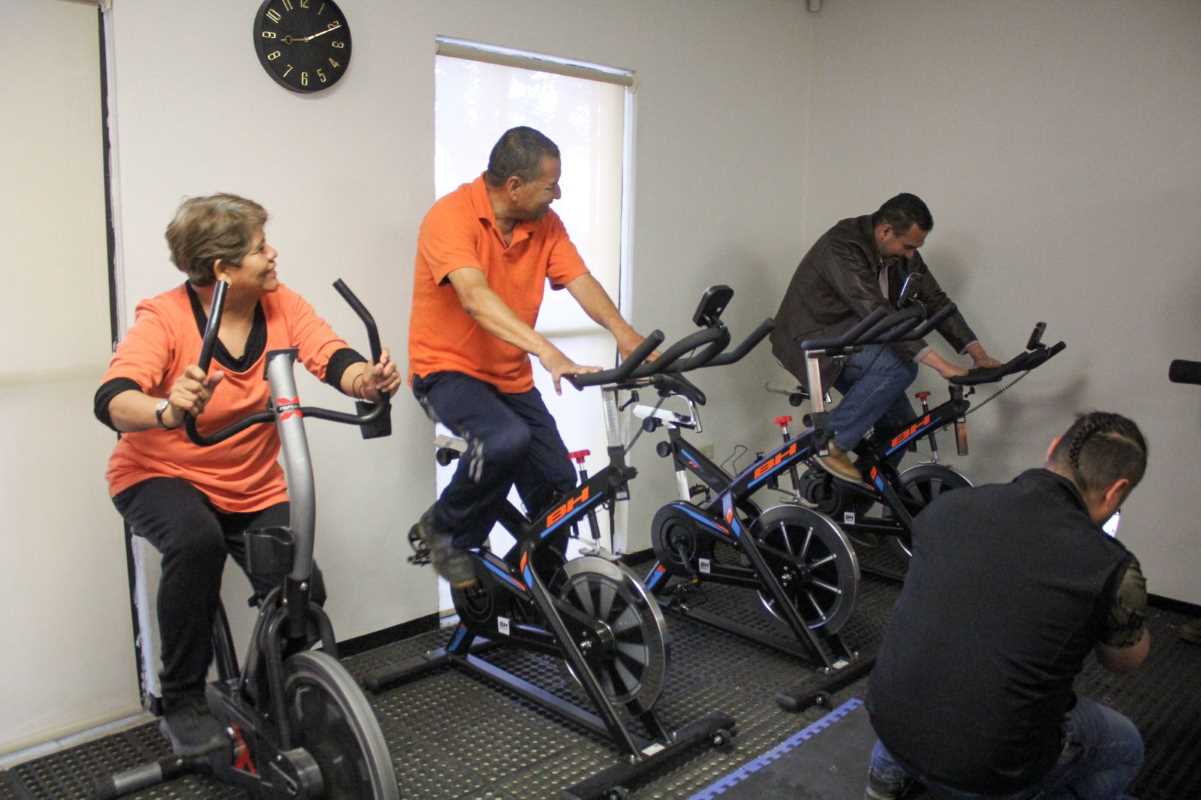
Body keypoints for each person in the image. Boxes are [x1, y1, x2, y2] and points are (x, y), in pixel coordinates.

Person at [93, 193, 401, 755]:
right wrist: (166, 409)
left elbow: (331, 354)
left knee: (302, 589)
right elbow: (113, 398)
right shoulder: (164, 317)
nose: (273, 254)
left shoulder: (281, 304)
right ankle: (181, 701)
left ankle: (265, 696)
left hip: (250, 484)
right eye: (261, 248)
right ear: (223, 269)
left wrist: (365, 380)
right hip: (159, 473)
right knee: (196, 541)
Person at [407, 126, 650, 589]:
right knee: (504, 440)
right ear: (514, 186)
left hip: (509, 378)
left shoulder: (545, 224)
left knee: (559, 488)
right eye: (550, 185)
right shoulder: (450, 217)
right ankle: (444, 531)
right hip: (445, 372)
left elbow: (579, 279)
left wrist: (624, 334)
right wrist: (547, 351)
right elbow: (475, 298)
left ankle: (537, 588)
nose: (557, 195)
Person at [865, 411, 1150, 800]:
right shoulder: (1110, 565)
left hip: (887, 722)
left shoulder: (949, 506)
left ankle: (888, 775)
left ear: (1052, 448)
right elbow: (1123, 662)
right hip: (992, 767)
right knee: (1126, 746)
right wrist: (1119, 605)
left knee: (937, 672)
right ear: (1116, 491)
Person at [770, 193, 1001, 484]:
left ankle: (857, 495)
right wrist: (944, 367)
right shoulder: (842, 246)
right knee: (899, 366)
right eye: (908, 246)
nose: (911, 255)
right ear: (885, 231)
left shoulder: (900, 253)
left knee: (900, 425)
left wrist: (978, 355)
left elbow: (936, 300)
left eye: (915, 248)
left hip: (851, 336)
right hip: (812, 340)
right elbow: (877, 313)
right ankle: (831, 443)